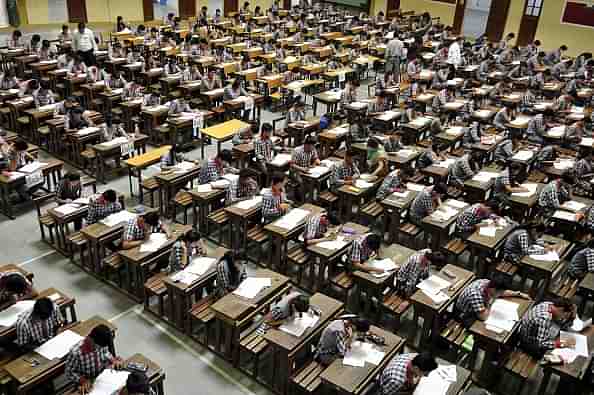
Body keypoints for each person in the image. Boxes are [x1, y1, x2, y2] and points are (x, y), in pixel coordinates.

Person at [65, 324, 122, 393]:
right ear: (90, 339)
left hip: (103, 378)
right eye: (97, 347)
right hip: (87, 382)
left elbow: (106, 352)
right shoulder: (76, 352)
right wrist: (83, 380)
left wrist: (113, 360)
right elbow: (69, 372)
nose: (98, 349)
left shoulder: (100, 344)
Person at [455, 277, 528, 327]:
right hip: (464, 314)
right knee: (486, 327)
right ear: (493, 289)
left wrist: (518, 294)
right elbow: (484, 317)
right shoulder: (476, 294)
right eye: (498, 292)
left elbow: (503, 292)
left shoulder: (488, 284)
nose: (499, 294)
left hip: (478, 307)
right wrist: (490, 302)